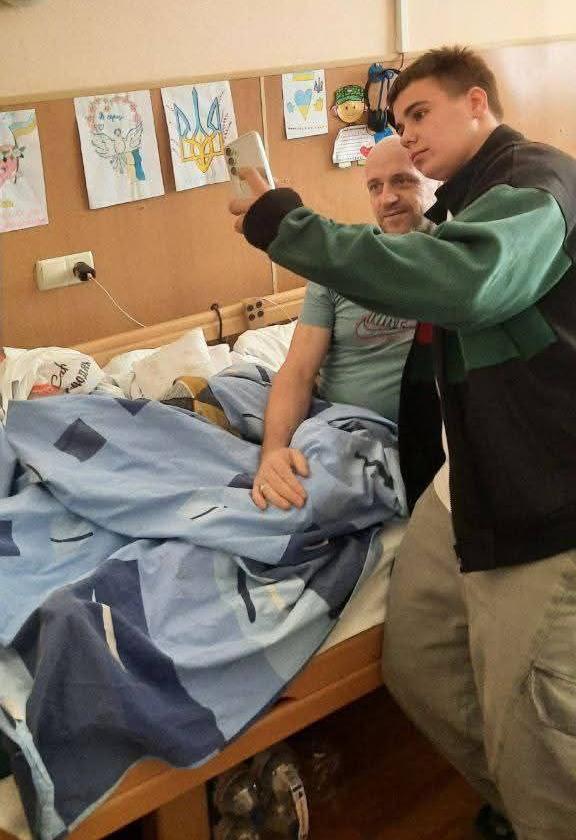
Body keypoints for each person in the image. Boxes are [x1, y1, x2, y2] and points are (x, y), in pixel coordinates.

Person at [230, 46, 576, 840]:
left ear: (477, 103)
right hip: (462, 482)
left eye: (420, 114)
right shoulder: (459, 211)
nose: (407, 137)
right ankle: (519, 804)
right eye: (395, 124)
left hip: (540, 497)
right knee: (417, 665)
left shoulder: (536, 184)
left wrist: (287, 225)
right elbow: (303, 367)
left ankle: (538, 812)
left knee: (538, 735)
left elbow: (464, 281)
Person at [252, 135, 437, 512]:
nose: (387, 198)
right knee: (227, 386)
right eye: (375, 187)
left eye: (403, 181)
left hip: (384, 440)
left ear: (435, 184)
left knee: (291, 502)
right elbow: (298, 370)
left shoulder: (454, 265)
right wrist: (272, 453)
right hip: (332, 419)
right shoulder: (340, 266)